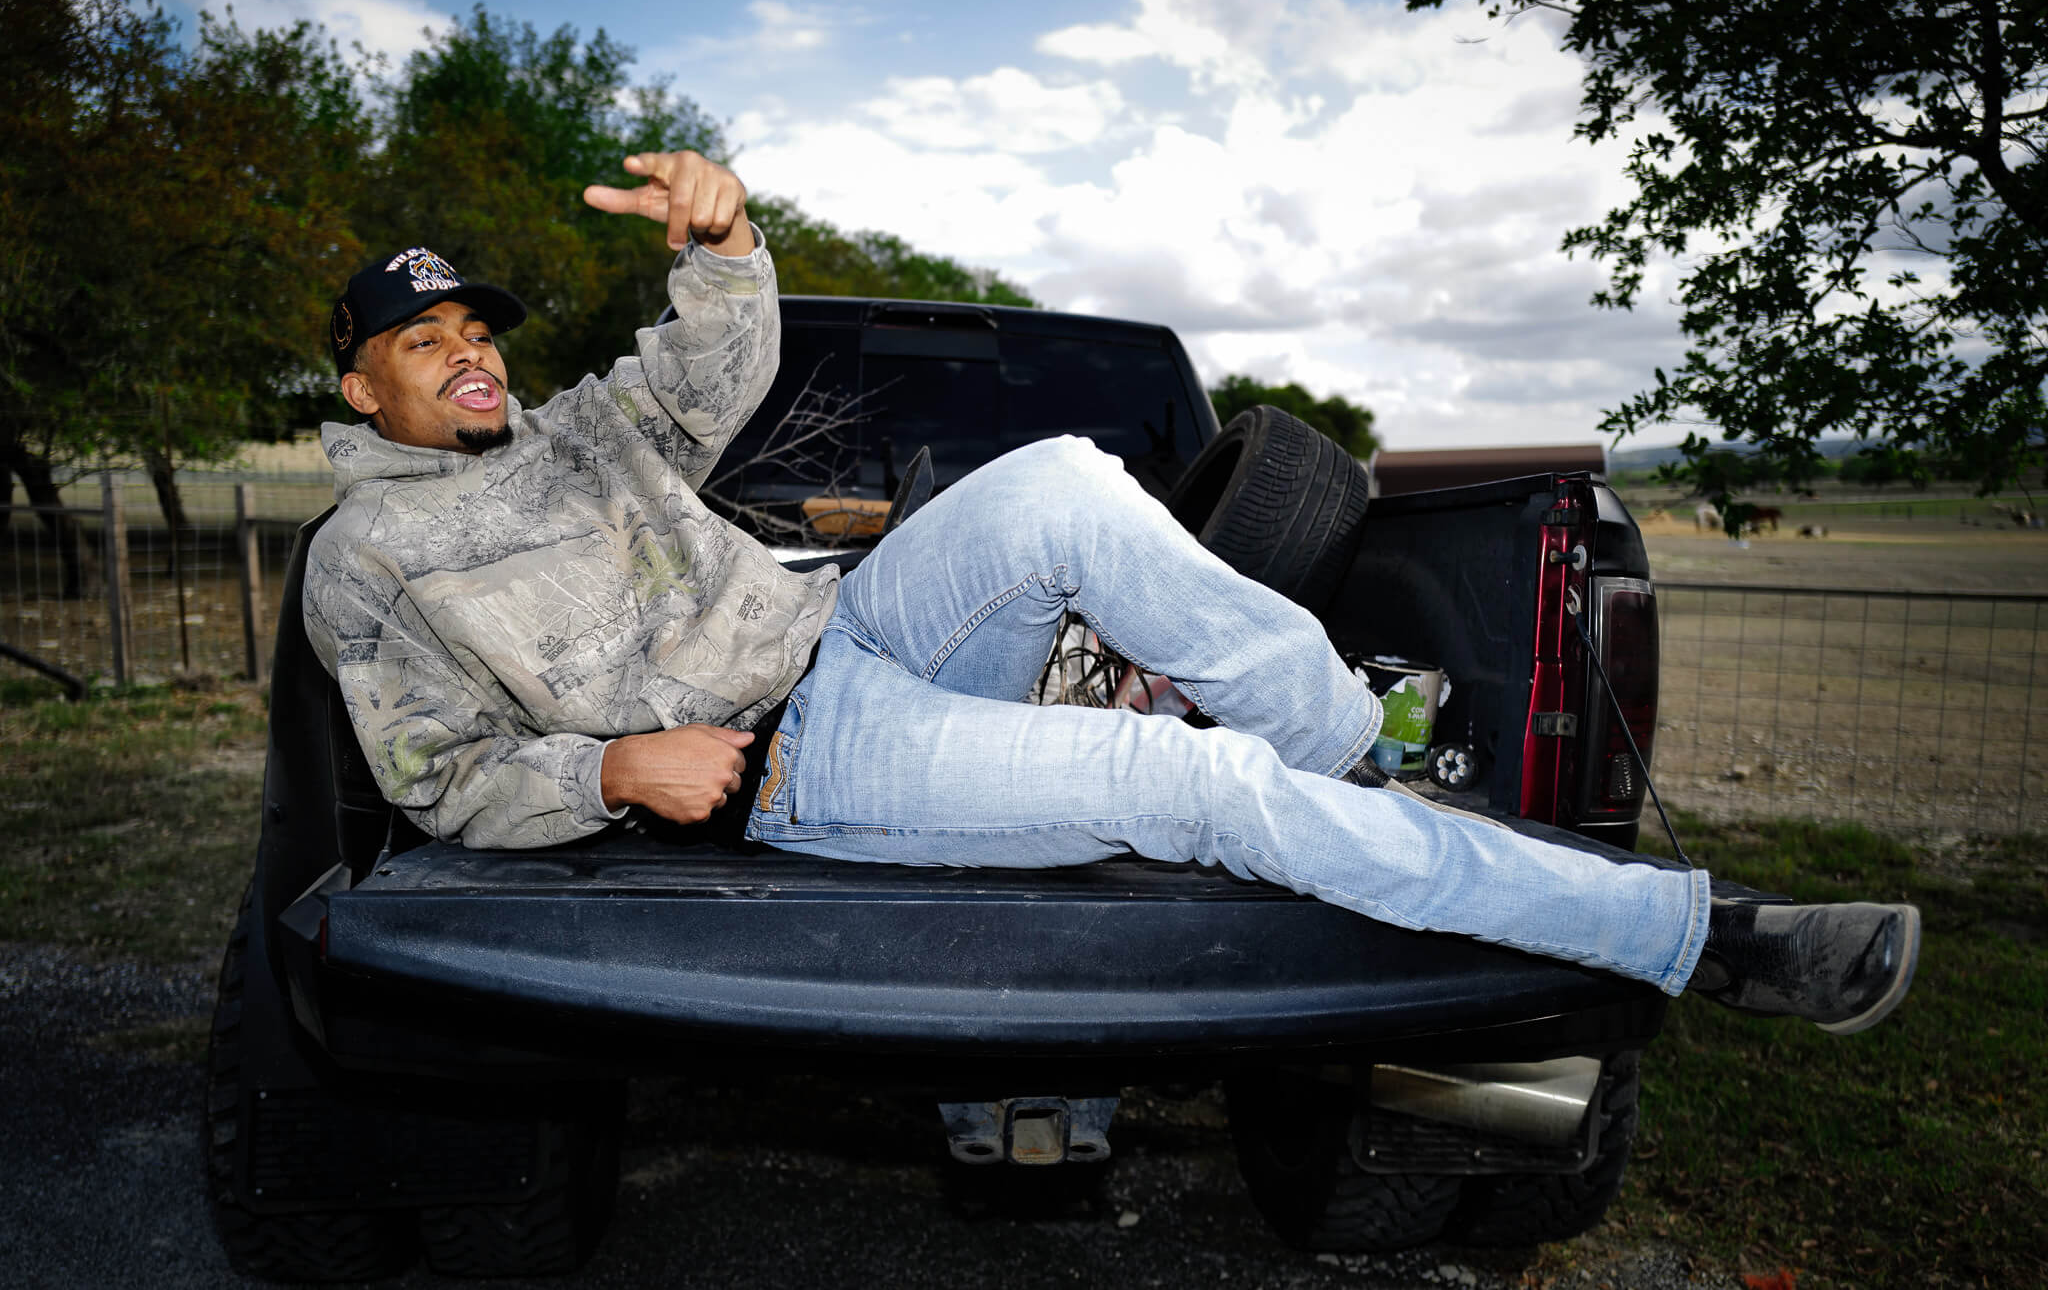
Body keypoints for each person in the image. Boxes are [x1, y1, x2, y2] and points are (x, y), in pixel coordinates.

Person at [306, 150, 1919, 1035]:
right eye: (421, 341)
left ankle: (1353, 767)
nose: (468, 350)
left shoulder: (590, 429)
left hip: (853, 624)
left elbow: (721, 359)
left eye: (477, 329)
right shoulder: (363, 562)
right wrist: (603, 771)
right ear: (362, 392)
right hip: (791, 763)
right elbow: (435, 778)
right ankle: (1705, 941)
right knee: (1186, 773)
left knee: (1075, 476)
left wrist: (725, 245)